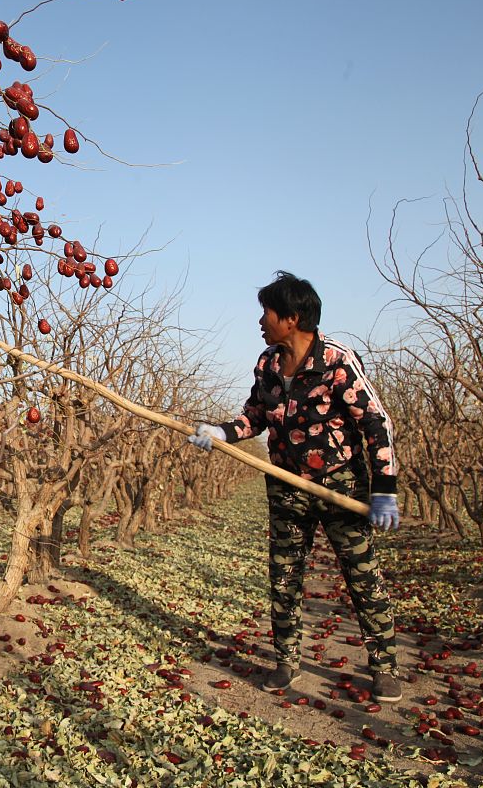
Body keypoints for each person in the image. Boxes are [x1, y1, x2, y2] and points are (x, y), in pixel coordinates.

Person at [187, 271, 403, 702]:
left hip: (339, 485)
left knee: (362, 575)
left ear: (292, 317)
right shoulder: (267, 364)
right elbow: (254, 417)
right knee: (284, 576)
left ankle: (385, 665)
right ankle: (286, 660)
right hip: (286, 485)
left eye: (266, 312)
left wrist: (384, 488)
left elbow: (376, 423)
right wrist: (221, 433)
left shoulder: (337, 362)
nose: (260, 321)